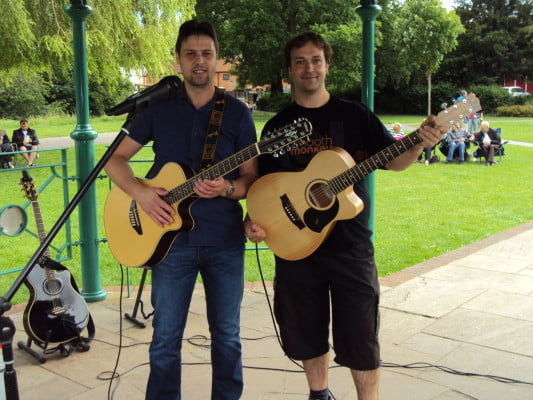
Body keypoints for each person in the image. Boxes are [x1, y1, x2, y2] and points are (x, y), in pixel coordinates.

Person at [244, 32, 444, 400]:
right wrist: (252, 221)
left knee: (360, 336)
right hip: (296, 248)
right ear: (289, 69)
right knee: (304, 332)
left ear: (327, 65)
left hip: (350, 249)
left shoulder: (354, 116)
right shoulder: (276, 126)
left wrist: (418, 142)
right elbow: (261, 185)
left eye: (316, 60)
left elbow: (395, 161)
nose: (309, 68)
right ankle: (318, 394)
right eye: (300, 61)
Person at [104, 20, 258, 400]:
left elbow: (251, 179)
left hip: (224, 240)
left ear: (217, 59)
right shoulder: (157, 108)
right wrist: (141, 195)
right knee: (165, 339)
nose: (199, 61)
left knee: (227, 336)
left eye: (206, 53)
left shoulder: (237, 113)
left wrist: (227, 188)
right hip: (169, 243)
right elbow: (115, 161)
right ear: (178, 61)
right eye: (190, 54)